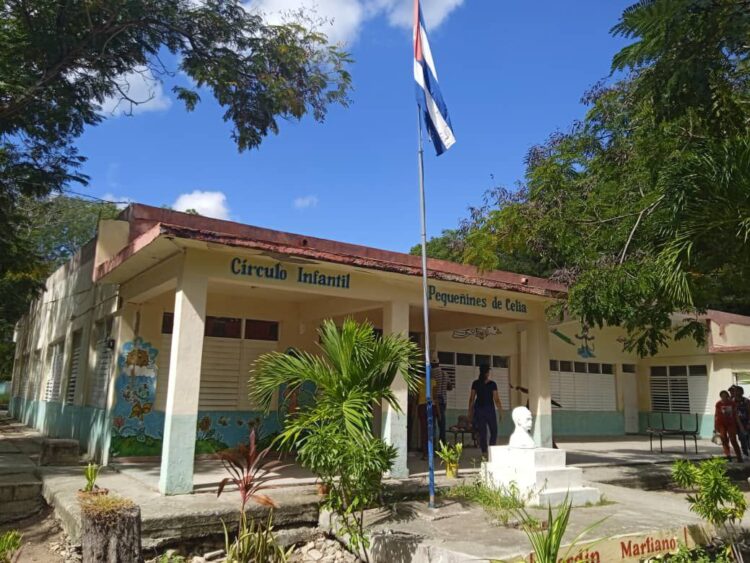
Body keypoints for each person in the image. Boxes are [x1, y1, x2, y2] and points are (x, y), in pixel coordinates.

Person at [468, 364, 503, 458]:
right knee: (494, 431)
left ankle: (484, 452)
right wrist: (500, 411)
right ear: (487, 373)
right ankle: (491, 451)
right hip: (489, 410)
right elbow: (496, 399)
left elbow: (471, 399)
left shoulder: (475, 383)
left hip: (479, 410)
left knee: (482, 432)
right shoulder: (492, 384)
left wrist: (470, 412)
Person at [417, 371, 441, 460]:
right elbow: (435, 397)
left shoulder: (418, 381)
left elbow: (416, 396)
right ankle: (432, 452)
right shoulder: (433, 381)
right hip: (432, 406)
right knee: (431, 430)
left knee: (423, 431)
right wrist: (439, 412)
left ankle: (425, 454)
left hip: (422, 406)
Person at [715, 390, 743, 462]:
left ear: (727, 396)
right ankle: (728, 455)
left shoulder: (732, 403)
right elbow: (716, 415)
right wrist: (715, 426)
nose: (724, 397)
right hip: (721, 424)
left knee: (733, 439)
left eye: (725, 395)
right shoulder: (718, 404)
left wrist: (740, 425)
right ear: (720, 396)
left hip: (731, 424)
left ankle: (739, 457)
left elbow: (736, 415)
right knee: (724, 439)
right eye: (722, 396)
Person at [433, 360, 452, 445]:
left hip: (434, 401)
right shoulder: (445, 374)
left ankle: (433, 446)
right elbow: (450, 387)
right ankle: (442, 445)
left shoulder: (431, 373)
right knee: (442, 425)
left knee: (432, 425)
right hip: (443, 401)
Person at [731, 385, 750, 456]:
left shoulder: (746, 401)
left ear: (742, 392)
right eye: (735, 391)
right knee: (742, 439)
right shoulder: (731, 402)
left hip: (746, 422)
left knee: (748, 439)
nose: (736, 393)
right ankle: (745, 453)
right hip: (737, 424)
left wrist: (749, 423)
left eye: (738, 391)